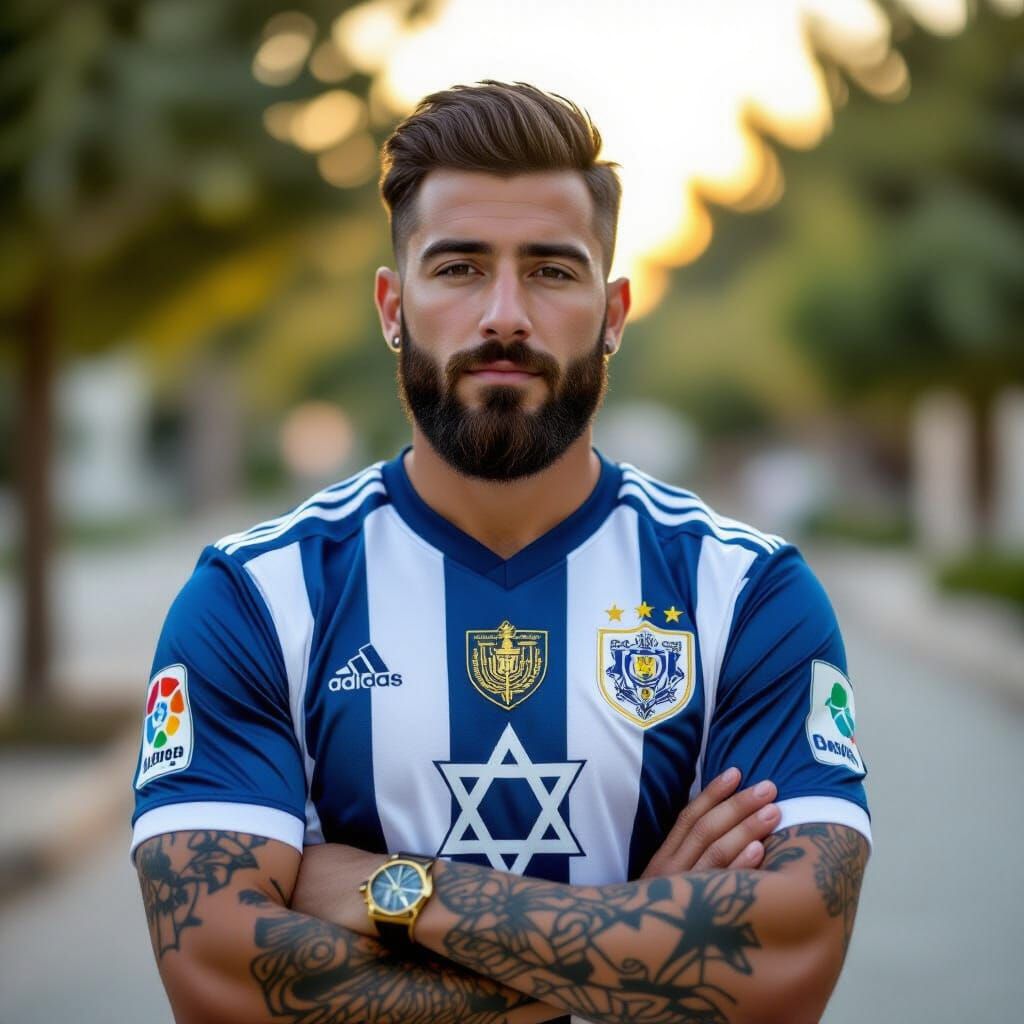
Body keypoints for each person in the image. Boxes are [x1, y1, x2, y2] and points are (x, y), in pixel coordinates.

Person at [133, 80, 870, 1024]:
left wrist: (394, 891)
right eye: (461, 268)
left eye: (553, 271)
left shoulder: (746, 593)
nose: (505, 315)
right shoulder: (258, 598)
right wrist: (643, 932)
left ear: (614, 312)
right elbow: (221, 981)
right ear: (393, 306)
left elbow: (786, 963)